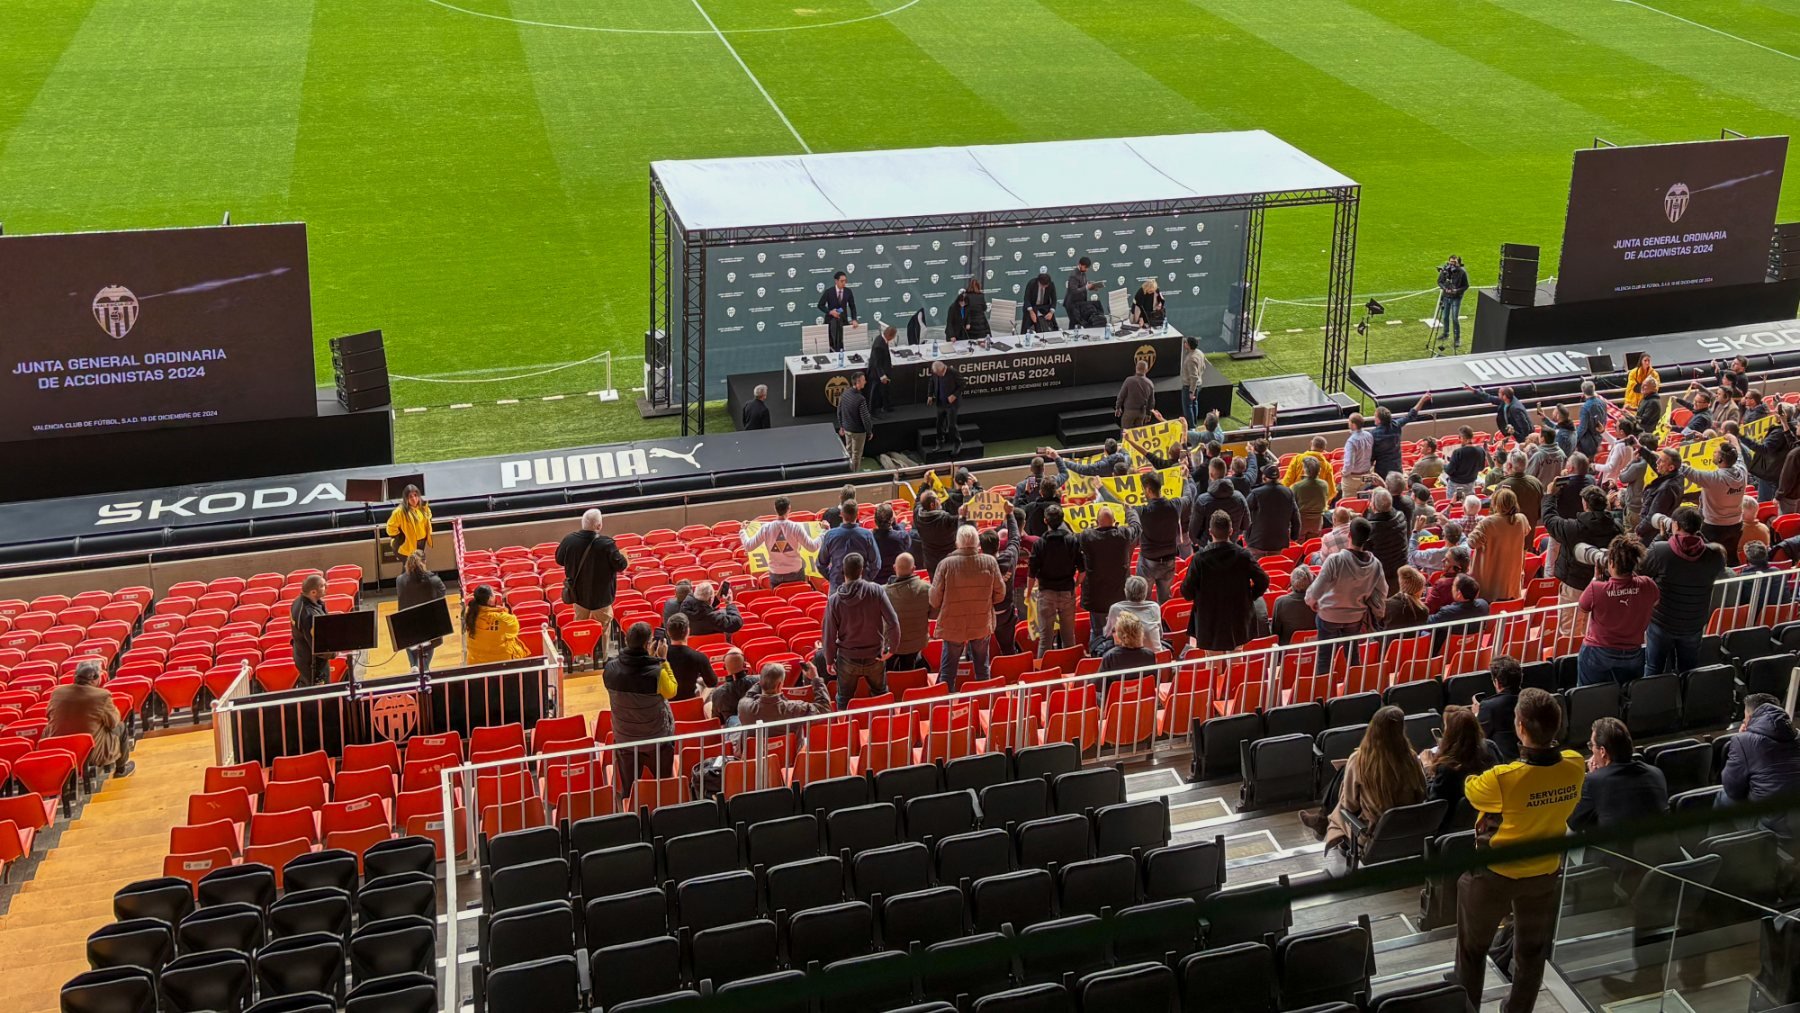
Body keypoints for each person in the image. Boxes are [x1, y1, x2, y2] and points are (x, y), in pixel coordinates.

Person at [1453, 687, 1585, 1013]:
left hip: (1496, 873)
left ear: (1521, 727)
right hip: (1545, 872)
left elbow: (1472, 790)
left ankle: (1467, 1009)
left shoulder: (1503, 779)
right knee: (1531, 950)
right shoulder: (1575, 764)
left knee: (1472, 949)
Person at [1319, 706, 1427, 864]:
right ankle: (1322, 822)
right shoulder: (1411, 757)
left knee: (1343, 796)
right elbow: (1423, 792)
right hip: (1408, 831)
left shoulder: (1359, 760)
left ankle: (1324, 823)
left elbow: (1349, 805)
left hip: (1373, 835)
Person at [1568, 717, 1672, 864]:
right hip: (1660, 858)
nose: (1591, 749)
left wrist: (1595, 776)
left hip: (1622, 867)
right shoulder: (1656, 773)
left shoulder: (1595, 781)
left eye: (1592, 745)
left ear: (1603, 751)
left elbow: (1575, 823)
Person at [1638, 506, 1727, 676]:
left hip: (1662, 622)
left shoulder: (1660, 550)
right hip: (1694, 622)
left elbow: (1641, 571)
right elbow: (1713, 560)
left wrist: (1659, 538)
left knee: (1653, 668)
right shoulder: (1715, 555)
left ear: (1676, 525)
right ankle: (1686, 699)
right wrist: (1699, 538)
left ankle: (1651, 700)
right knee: (1689, 670)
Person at [930, 526, 1007, 688]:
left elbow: (934, 600)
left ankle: (946, 707)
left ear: (958, 543)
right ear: (977, 543)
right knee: (982, 669)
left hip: (953, 626)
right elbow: (1000, 594)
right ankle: (985, 705)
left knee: (948, 672)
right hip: (981, 623)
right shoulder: (989, 562)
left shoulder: (945, 564)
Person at [1575, 534, 1658, 686]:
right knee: (1627, 696)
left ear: (1611, 563)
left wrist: (1596, 580)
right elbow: (1655, 601)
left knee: (1588, 695)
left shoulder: (1596, 588)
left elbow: (1583, 607)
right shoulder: (1648, 584)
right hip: (1633, 653)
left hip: (1597, 653)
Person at [1307, 517, 1388, 671]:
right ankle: (1354, 688)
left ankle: (1323, 693)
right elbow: (1383, 591)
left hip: (1329, 616)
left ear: (1349, 535)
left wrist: (1311, 601)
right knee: (1353, 655)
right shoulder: (1375, 563)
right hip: (1355, 616)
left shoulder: (1334, 560)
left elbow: (1315, 591)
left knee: (1325, 657)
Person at [603, 622, 675, 794]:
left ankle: (631, 805)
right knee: (664, 785)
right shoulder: (657, 672)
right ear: (647, 644)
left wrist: (650, 659)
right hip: (657, 739)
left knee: (630, 787)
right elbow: (671, 691)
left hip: (624, 738)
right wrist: (662, 661)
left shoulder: (609, 669)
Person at [1542, 483, 1620, 641]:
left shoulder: (1573, 528)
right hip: (1602, 586)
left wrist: (1550, 496)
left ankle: (1571, 661)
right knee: (1591, 628)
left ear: (1585, 504)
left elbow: (1549, 520)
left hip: (1575, 585)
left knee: (1569, 633)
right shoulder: (1616, 527)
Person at [1183, 511, 1269, 652]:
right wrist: (1250, 597)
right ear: (1231, 531)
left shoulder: (1200, 559)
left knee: (1212, 665)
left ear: (1210, 532)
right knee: (1236, 660)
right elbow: (1263, 581)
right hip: (1238, 616)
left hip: (1209, 620)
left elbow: (1186, 591)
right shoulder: (1243, 555)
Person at [823, 553, 901, 708]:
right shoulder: (877, 591)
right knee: (880, 694)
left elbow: (829, 633)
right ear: (862, 571)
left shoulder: (834, 600)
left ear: (842, 572)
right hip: (875, 656)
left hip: (847, 658)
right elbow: (893, 622)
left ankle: (844, 727)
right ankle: (884, 726)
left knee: (844, 698)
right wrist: (892, 649)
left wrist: (829, 659)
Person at [1720, 696, 1800, 840]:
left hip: (1774, 831)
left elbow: (1733, 790)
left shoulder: (1743, 741)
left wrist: (1743, 738)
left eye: (1744, 719)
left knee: (1723, 797)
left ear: (1750, 719)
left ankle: (1717, 851)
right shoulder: (1798, 735)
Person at [556, 509, 631, 651]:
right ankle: (603, 657)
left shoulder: (569, 540)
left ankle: (581, 654)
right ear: (599, 526)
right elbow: (621, 565)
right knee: (603, 628)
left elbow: (559, 560)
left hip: (578, 596)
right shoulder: (607, 544)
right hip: (602, 598)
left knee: (580, 628)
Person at [45, 660, 131, 777]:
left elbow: (49, 716)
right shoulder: (102, 696)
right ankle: (121, 770)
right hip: (90, 753)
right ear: (95, 678)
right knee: (120, 727)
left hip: (60, 751)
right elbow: (113, 722)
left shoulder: (57, 692)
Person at [1422, 706, 1498, 834]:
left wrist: (1427, 768)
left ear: (1451, 734)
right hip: (1488, 823)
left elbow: (1434, 808)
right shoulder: (1490, 748)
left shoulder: (1447, 769)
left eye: (1446, 729)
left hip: (1451, 832)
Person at [1683, 439, 1750, 562]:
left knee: (1710, 558)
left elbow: (1686, 471)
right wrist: (1734, 440)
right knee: (1730, 557)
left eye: (1715, 453)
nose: (1713, 454)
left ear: (1720, 460)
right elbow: (1739, 455)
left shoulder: (1713, 478)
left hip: (1713, 526)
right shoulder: (1742, 471)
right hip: (1736, 525)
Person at [1030, 504, 1082, 658]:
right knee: (1068, 638)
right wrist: (1075, 584)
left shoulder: (1039, 543)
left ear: (1045, 521)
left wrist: (1029, 593)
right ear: (1062, 520)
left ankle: (1044, 676)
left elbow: (1031, 573)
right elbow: (1083, 570)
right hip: (1067, 592)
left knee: (1045, 640)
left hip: (1046, 594)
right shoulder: (1072, 540)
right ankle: (1072, 673)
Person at [1078, 504, 1140, 630]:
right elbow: (1137, 527)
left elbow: (1068, 537)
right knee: (1120, 632)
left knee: (1097, 633)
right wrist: (1130, 511)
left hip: (1096, 600)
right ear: (1114, 522)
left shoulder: (1087, 537)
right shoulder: (1123, 534)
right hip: (1120, 597)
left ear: (1096, 522)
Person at [1468, 486, 1528, 602]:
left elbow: (1471, 543)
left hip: (1489, 581)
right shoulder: (1522, 519)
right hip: (1511, 579)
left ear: (1495, 504)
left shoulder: (1487, 522)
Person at [744, 497, 820, 588]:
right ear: (789, 508)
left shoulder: (766, 528)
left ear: (775, 508)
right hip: (795, 571)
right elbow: (812, 547)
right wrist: (824, 532)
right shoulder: (796, 527)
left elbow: (748, 546)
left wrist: (742, 531)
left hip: (776, 573)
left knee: (779, 598)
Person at [737, 661, 832, 727]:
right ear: (779, 686)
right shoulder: (795, 708)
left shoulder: (744, 706)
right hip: (792, 754)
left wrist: (768, 676)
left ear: (761, 682)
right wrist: (816, 678)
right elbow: (824, 708)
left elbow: (749, 695)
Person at [1135, 470, 1183, 601]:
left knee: (1143, 599)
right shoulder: (1175, 505)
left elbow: (1121, 506)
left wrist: (1101, 488)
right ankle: (1163, 620)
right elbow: (1189, 495)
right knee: (1165, 599)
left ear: (1149, 490)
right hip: (1169, 561)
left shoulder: (1143, 511)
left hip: (1148, 562)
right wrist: (1186, 478)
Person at [396, 551, 447, 671]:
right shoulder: (433, 580)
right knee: (428, 647)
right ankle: (423, 668)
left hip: (407, 621)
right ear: (424, 562)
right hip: (428, 622)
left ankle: (414, 666)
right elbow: (442, 594)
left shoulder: (399, 580)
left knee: (410, 643)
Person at [883, 552, 932, 672]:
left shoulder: (883, 592)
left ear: (895, 568)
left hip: (891, 646)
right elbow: (934, 614)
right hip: (917, 643)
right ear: (914, 569)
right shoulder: (927, 589)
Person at [817, 501, 879, 589]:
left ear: (841, 514)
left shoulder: (830, 535)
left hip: (837, 586)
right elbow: (876, 564)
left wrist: (833, 577)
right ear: (857, 514)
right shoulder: (867, 535)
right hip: (862, 586)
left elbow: (821, 564)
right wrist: (866, 579)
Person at [465, 584, 529, 663]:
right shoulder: (505, 619)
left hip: (476, 663)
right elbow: (513, 632)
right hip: (502, 664)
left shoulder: (469, 614)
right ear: (490, 599)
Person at [1245, 466, 1300, 559]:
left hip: (1257, 541)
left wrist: (1245, 533)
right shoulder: (1288, 493)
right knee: (1271, 567)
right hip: (1278, 542)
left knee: (1256, 569)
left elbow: (1244, 512)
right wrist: (1294, 535)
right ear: (1279, 477)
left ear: (1264, 478)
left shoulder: (1255, 493)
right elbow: (1295, 517)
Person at [1477, 656, 1525, 762]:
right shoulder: (1530, 699)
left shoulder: (1489, 706)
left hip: (1502, 764)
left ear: (1497, 682)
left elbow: (1478, 736)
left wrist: (1476, 714)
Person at [1372, 394, 1432, 478]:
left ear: (1379, 419)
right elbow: (1411, 415)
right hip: (1397, 469)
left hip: (1382, 472)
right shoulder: (1396, 425)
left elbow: (1371, 455)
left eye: (1375, 416)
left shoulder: (1373, 434)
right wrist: (1422, 400)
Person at [662, 613, 716, 702]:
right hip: (690, 702)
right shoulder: (699, 657)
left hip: (667, 706)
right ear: (688, 631)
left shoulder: (659, 656)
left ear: (667, 632)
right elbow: (712, 683)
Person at [1429, 574, 1491, 650]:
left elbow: (1428, 622)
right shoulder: (1484, 605)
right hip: (1471, 649)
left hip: (1443, 652)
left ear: (1459, 594)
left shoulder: (1448, 612)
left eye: (1453, 586)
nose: (1451, 588)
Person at [1100, 576, 1162, 649]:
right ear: (1145, 592)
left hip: (1126, 655)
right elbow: (1160, 634)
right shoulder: (1155, 607)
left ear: (1125, 591)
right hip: (1156, 655)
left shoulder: (1115, 608)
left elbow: (1107, 634)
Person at [289, 574, 329, 687]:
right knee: (322, 697)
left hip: (301, 655)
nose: (327, 586)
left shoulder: (297, 602)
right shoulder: (309, 615)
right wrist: (335, 652)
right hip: (313, 664)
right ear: (313, 592)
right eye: (322, 586)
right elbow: (319, 648)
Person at [1365, 488, 1409, 587]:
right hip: (1400, 569)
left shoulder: (1370, 527)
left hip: (1381, 574)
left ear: (1373, 506)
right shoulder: (1401, 516)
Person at [1187, 476, 1248, 546]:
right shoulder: (1240, 497)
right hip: (1231, 540)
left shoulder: (1202, 500)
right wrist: (1235, 534)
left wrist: (1198, 542)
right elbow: (1246, 524)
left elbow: (1193, 531)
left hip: (1207, 543)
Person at [911, 490, 960, 575]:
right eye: (937, 499)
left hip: (932, 565)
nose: (940, 500)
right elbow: (966, 520)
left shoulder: (917, 516)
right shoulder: (945, 520)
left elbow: (918, 501)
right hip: (950, 562)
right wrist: (967, 497)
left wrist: (925, 484)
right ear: (932, 505)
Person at [834, 372, 875, 471]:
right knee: (856, 454)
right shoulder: (860, 399)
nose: (865, 382)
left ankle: (847, 470)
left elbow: (839, 411)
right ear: (858, 382)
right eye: (863, 380)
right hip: (858, 432)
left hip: (847, 429)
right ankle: (854, 473)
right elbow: (865, 418)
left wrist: (842, 426)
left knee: (848, 451)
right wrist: (869, 431)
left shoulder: (845, 394)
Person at [1465, 384, 1532, 443]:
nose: (1498, 394)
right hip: (1513, 434)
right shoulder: (1505, 401)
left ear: (1504, 396)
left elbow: (1525, 427)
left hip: (1521, 438)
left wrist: (1523, 440)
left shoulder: (1515, 409)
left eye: (1499, 393)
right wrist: (1473, 390)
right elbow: (1489, 397)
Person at [677, 581, 744, 638]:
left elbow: (700, 607)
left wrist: (716, 599)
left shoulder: (685, 607)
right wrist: (729, 604)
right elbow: (736, 622)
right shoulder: (713, 618)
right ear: (710, 599)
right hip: (714, 644)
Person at [1494, 451, 1544, 527]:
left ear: (1509, 465)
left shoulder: (1503, 485)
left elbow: (1496, 513)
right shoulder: (1536, 482)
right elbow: (1541, 510)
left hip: (1510, 533)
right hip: (1530, 530)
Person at [1270, 568, 1318, 644]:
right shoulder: (1319, 601)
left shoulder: (1281, 602)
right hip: (1314, 648)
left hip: (1287, 651)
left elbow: (1275, 632)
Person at [707, 649, 753, 726]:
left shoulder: (718, 693)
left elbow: (717, 720)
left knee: (707, 706)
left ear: (724, 667)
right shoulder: (759, 681)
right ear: (744, 665)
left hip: (734, 731)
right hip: (756, 726)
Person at [385, 484, 432, 558]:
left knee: (419, 565)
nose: (414, 499)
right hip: (407, 545)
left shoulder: (423, 507)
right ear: (406, 498)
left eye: (415, 495)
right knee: (409, 567)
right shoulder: (399, 512)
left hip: (421, 543)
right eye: (410, 496)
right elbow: (390, 527)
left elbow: (428, 516)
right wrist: (401, 537)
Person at [1435, 254, 1469, 353]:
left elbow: (1466, 286)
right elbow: (1439, 281)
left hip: (1456, 298)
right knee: (1445, 316)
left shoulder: (1462, 272)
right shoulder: (1445, 270)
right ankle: (1445, 333)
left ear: (1458, 262)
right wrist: (1445, 288)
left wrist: (1456, 291)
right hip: (1446, 296)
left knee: (1454, 318)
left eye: (1454, 262)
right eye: (1451, 262)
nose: (1452, 264)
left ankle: (1457, 338)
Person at [1291, 455, 1331, 541]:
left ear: (1305, 470)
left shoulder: (1296, 486)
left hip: (1301, 520)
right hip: (1317, 521)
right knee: (1312, 544)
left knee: (1299, 544)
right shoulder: (1324, 484)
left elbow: (1292, 505)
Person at [817, 270, 858, 352]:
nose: (844, 283)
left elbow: (852, 306)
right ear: (836, 281)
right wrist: (830, 312)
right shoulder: (829, 292)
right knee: (831, 344)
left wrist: (854, 319)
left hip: (843, 321)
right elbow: (820, 305)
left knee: (843, 344)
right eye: (841, 281)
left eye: (845, 281)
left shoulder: (848, 292)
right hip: (831, 322)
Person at [928, 360, 964, 453]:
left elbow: (962, 384)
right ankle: (939, 442)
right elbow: (932, 381)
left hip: (951, 404)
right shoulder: (936, 372)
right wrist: (930, 395)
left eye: (938, 373)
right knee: (939, 424)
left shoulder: (953, 373)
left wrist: (954, 395)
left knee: (951, 425)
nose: (937, 375)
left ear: (943, 369)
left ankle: (957, 443)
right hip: (940, 402)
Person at [1443, 428, 1487, 501]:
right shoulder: (1480, 450)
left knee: (1454, 506)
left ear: (1462, 438)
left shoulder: (1457, 452)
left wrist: (1445, 465)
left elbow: (1449, 471)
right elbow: (1481, 468)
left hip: (1455, 486)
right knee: (1468, 505)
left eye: (1459, 437)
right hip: (1471, 484)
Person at [1114, 359, 1156, 430]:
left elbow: (1121, 396)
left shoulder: (1129, 380)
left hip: (1129, 412)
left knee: (1126, 434)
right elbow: (1151, 402)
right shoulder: (1150, 383)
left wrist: (1118, 408)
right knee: (1138, 436)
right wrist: (1149, 414)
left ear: (1136, 368)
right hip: (1141, 413)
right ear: (1146, 370)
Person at [1384, 566, 1429, 631]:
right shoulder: (1424, 610)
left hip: (1387, 640)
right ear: (1418, 589)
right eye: (1423, 587)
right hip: (1415, 641)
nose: (1424, 590)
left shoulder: (1387, 605)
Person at [1064, 256, 1104, 328]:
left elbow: (1083, 285)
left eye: (1087, 268)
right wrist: (1086, 287)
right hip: (1072, 304)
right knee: (1074, 323)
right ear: (1080, 265)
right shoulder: (1074, 275)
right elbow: (1074, 291)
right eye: (1085, 267)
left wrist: (1092, 287)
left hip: (1080, 303)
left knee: (1080, 323)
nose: (1087, 269)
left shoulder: (1083, 272)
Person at [1341, 413, 1375, 493]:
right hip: (1367, 475)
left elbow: (1349, 463)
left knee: (1349, 503)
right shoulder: (1369, 435)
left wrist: (1344, 473)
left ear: (1353, 425)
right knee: (1365, 501)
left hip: (1353, 478)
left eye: (1349, 421)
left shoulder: (1351, 442)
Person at [866, 326, 895, 416]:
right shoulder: (879, 345)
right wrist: (882, 375)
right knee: (874, 392)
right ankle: (872, 411)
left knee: (885, 390)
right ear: (890, 336)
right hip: (876, 373)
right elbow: (877, 362)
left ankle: (886, 406)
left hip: (883, 369)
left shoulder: (882, 339)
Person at [1574, 380, 1608, 459]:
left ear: (1583, 391)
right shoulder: (1603, 403)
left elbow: (1582, 428)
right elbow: (1604, 420)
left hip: (1588, 443)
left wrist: (1574, 440)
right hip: (1599, 438)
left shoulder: (1585, 408)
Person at [1179, 336, 1203, 426]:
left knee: (1188, 407)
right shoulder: (1199, 353)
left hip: (1189, 386)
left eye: (1185, 343)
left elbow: (1194, 377)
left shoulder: (1190, 359)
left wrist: (1191, 391)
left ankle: (1191, 426)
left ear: (1188, 345)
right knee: (1194, 404)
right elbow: (1203, 367)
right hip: (1198, 384)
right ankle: (1194, 423)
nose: (1184, 344)